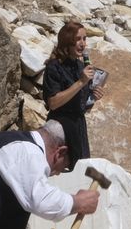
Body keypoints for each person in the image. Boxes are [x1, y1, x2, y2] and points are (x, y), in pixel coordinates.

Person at [42, 22, 104, 166]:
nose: (83, 44)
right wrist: (81, 82)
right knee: (60, 170)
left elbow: (84, 106)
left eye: (85, 39)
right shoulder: (54, 66)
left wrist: (93, 97)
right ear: (67, 41)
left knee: (81, 169)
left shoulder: (80, 66)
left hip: (78, 127)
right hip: (60, 127)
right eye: (78, 39)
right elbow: (53, 103)